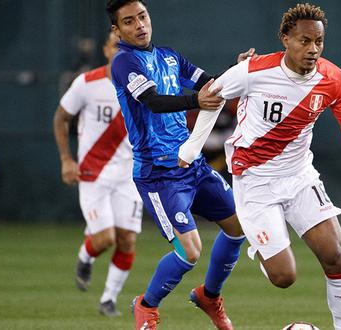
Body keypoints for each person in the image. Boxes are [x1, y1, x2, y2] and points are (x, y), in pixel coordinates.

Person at [178, 4, 341, 330]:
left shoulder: (334, 79)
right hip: (255, 182)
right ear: (285, 39)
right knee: (284, 277)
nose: (313, 49)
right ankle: (262, 248)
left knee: (334, 254)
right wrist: (190, 147)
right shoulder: (253, 72)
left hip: (299, 176)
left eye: (319, 42)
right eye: (304, 41)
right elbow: (210, 96)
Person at [105, 1, 254, 329]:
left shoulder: (170, 56)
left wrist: (239, 73)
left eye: (142, 17)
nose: (140, 25)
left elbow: (210, 83)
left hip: (194, 167)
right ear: (117, 30)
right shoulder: (124, 62)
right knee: (190, 251)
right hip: (159, 175)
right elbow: (153, 101)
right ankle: (145, 305)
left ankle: (209, 297)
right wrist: (195, 101)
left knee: (240, 226)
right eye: (129, 22)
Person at [53, 31, 143, 317]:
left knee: (127, 239)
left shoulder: (141, 87)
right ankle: (85, 255)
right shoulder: (86, 83)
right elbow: (61, 117)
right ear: (106, 50)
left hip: (129, 174)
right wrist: (67, 159)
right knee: (105, 239)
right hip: (92, 173)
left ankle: (108, 300)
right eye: (117, 46)